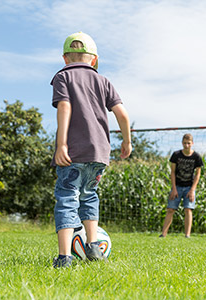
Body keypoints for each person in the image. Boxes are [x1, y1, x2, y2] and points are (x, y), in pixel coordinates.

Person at [51, 32, 132, 268]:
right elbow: (122, 114)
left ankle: (65, 257)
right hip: (99, 153)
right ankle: (93, 245)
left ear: (65, 58)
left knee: (67, 198)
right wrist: (126, 142)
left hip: (73, 152)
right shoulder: (104, 81)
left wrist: (61, 144)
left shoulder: (63, 77)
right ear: (94, 60)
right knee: (89, 195)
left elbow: (64, 107)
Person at [160, 133, 203, 238]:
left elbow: (198, 174)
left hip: (189, 187)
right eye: (184, 143)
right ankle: (163, 234)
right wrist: (174, 189)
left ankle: (187, 235)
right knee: (171, 209)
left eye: (188, 143)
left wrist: (192, 190)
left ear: (192, 143)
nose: (186, 145)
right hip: (177, 186)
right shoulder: (176, 155)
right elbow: (173, 172)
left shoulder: (196, 157)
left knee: (188, 209)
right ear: (182, 143)